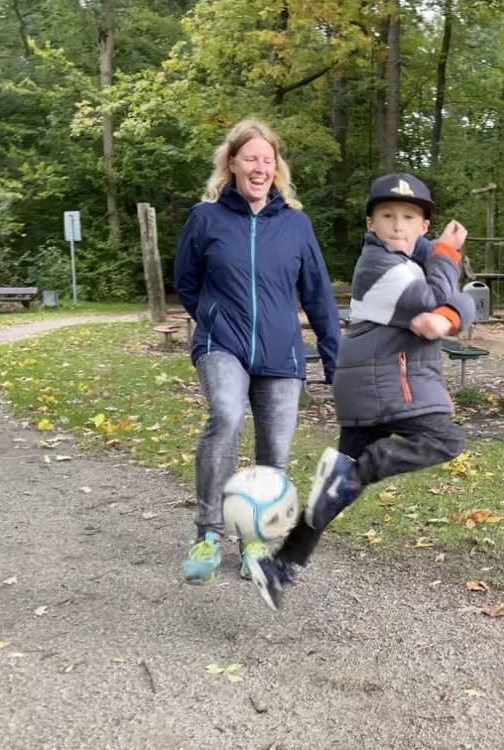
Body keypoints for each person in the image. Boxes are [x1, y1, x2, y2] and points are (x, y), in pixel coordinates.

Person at [246, 172, 475, 609]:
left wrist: (450, 312)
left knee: (337, 486)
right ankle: (366, 466)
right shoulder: (379, 266)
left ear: (423, 225)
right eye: (387, 216)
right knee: (445, 440)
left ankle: (280, 567)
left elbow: (457, 300)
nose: (398, 226)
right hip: (385, 385)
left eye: (409, 217)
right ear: (370, 224)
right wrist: (448, 258)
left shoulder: (413, 261)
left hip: (371, 383)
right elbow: (436, 298)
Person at [174, 118, 340, 585]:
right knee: (225, 417)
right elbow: (186, 280)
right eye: (251, 158)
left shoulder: (295, 224)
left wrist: (334, 362)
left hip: (281, 355)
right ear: (232, 163)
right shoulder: (205, 218)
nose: (260, 166)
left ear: (276, 168)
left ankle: (253, 541)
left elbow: (319, 296)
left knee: (275, 452)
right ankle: (208, 534)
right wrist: (211, 317)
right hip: (221, 344)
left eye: (268, 159)